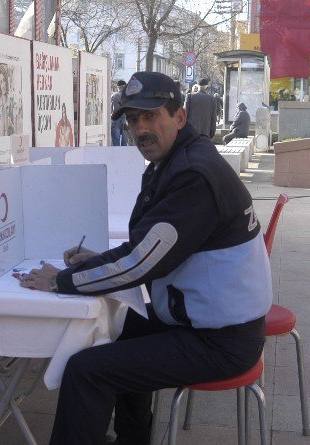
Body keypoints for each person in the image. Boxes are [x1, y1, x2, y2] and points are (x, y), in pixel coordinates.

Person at [19, 71, 272, 445]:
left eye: (151, 116)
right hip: (204, 320)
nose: (140, 129)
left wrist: (62, 281)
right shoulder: (176, 161)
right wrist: (95, 260)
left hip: (222, 341)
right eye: (133, 119)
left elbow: (140, 263)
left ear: (179, 117)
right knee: (122, 335)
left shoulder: (193, 175)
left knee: (87, 370)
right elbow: (148, 246)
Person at [111, 79, 128, 146]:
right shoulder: (128, 96)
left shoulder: (113, 96)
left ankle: (116, 154)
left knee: (116, 141)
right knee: (125, 141)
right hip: (125, 120)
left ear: (118, 87)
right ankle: (123, 155)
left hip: (114, 119)